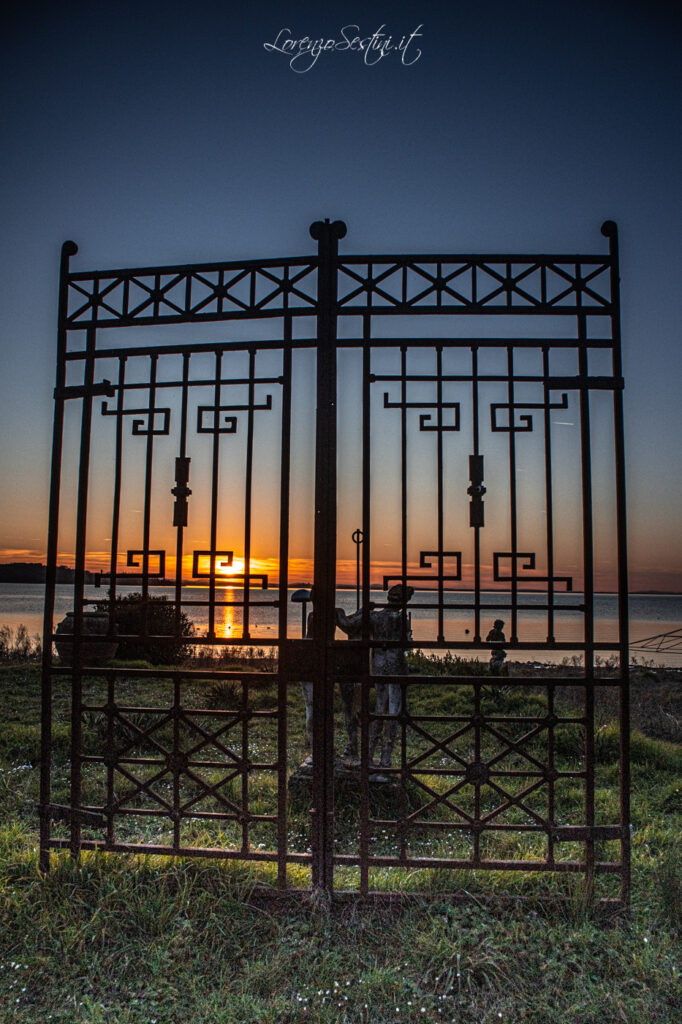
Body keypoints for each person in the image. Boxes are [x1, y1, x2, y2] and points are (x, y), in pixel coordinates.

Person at [335, 584, 414, 770]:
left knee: (380, 709)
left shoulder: (375, 616)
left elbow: (348, 624)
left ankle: (368, 755)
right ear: (404, 601)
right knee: (393, 713)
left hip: (378, 665)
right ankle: (385, 758)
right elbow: (407, 645)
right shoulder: (401, 619)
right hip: (396, 666)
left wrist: (349, 611)